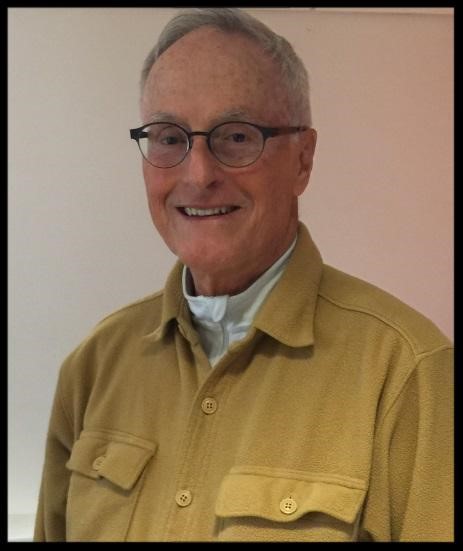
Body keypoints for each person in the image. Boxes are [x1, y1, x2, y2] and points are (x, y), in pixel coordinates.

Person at [34, 8, 453, 542]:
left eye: (236, 136)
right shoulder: (93, 367)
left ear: (303, 159)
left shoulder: (408, 374)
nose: (199, 174)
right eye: (169, 137)